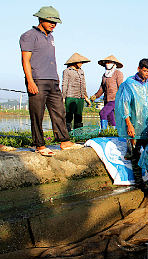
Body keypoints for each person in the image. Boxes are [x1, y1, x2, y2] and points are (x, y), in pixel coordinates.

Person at [20, 6, 83, 157]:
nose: (53, 24)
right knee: (37, 114)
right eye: (50, 21)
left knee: (59, 111)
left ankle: (64, 141)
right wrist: (30, 81)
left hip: (53, 79)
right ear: (41, 19)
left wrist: (56, 79)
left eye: (55, 22)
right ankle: (39, 145)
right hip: (38, 79)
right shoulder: (29, 36)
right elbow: (25, 60)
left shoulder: (50, 37)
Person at [115, 58, 148, 160]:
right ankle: (136, 175)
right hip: (135, 125)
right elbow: (125, 104)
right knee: (134, 153)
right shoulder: (129, 84)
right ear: (139, 69)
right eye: (145, 71)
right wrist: (129, 124)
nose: (147, 74)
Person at [90, 55, 124, 130]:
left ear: (114, 64)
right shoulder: (105, 75)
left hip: (115, 99)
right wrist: (95, 96)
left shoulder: (118, 73)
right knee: (110, 117)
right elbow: (102, 88)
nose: (107, 64)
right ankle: (113, 132)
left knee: (103, 113)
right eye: (106, 62)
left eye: (109, 62)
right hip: (106, 99)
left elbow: (121, 87)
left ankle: (103, 131)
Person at [62, 53, 90, 132]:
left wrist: (85, 96)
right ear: (74, 62)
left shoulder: (81, 71)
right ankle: (67, 133)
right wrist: (63, 96)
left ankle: (78, 133)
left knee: (79, 116)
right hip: (71, 96)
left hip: (80, 97)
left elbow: (83, 84)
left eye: (82, 62)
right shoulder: (67, 71)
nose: (81, 64)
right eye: (80, 62)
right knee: (69, 115)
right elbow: (64, 84)